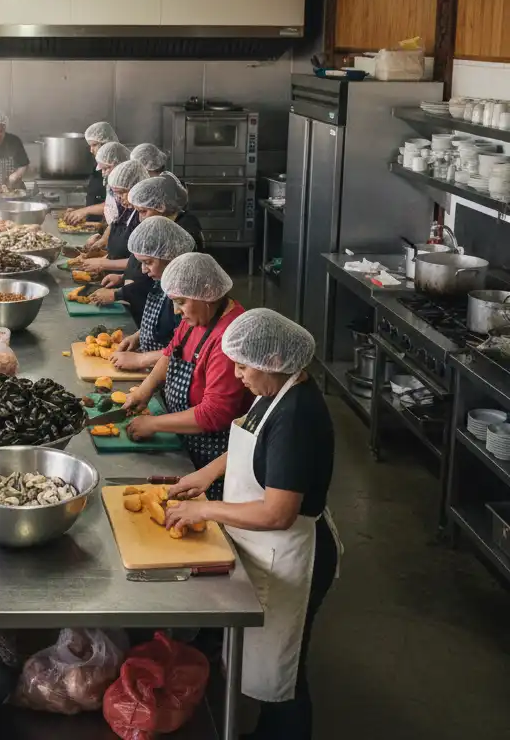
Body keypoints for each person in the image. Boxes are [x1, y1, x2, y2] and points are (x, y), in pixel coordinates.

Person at [165, 308, 339, 740]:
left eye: (243, 365)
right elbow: (249, 439)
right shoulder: (275, 389)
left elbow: (277, 513)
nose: (237, 373)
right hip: (264, 550)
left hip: (291, 556)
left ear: (273, 360)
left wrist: (205, 510)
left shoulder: (296, 416)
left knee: (283, 673)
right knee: (261, 664)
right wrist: (206, 474)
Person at [124, 253, 251, 499]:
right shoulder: (197, 316)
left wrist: (154, 424)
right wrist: (144, 390)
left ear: (206, 293)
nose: (176, 310)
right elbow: (172, 352)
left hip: (210, 457)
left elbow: (215, 414)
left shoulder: (228, 339)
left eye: (181, 302)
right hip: (184, 441)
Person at [89, 173, 203, 317]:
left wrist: (119, 293)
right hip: (138, 297)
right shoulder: (162, 225)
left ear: (160, 206)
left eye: (143, 211)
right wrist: (122, 277)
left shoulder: (182, 232)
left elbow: (162, 281)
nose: (140, 218)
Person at [101, 216, 195, 372]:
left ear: (170, 256)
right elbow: (162, 326)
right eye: (141, 263)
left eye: (149, 262)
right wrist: (138, 336)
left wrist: (141, 359)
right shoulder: (162, 281)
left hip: (171, 372)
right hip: (153, 369)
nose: (143, 270)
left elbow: (186, 347)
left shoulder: (187, 294)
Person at [75, 158, 147, 274]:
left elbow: (142, 263)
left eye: (122, 192)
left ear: (137, 188)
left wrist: (102, 263)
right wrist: (100, 257)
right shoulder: (125, 209)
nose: (119, 198)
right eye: (115, 193)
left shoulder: (145, 217)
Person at [64, 121, 119, 225]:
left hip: (110, 227)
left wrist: (85, 211)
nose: (91, 150)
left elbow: (117, 204)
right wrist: (79, 212)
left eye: (94, 145)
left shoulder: (119, 170)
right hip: (97, 225)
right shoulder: (98, 166)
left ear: (106, 144)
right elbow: (96, 198)